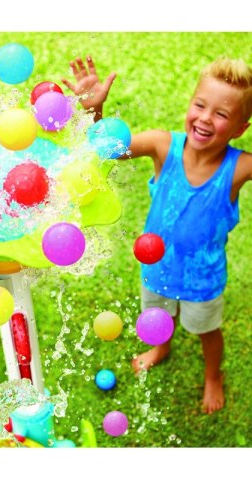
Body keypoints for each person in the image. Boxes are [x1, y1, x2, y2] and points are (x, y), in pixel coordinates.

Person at [63, 55, 252, 414]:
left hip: (203, 277)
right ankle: (161, 347)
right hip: (157, 268)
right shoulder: (163, 145)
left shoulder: (239, 166)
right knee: (158, 320)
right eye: (200, 105)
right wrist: (93, 110)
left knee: (206, 331)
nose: (205, 118)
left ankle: (213, 375)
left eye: (221, 114)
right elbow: (109, 150)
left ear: (240, 128)